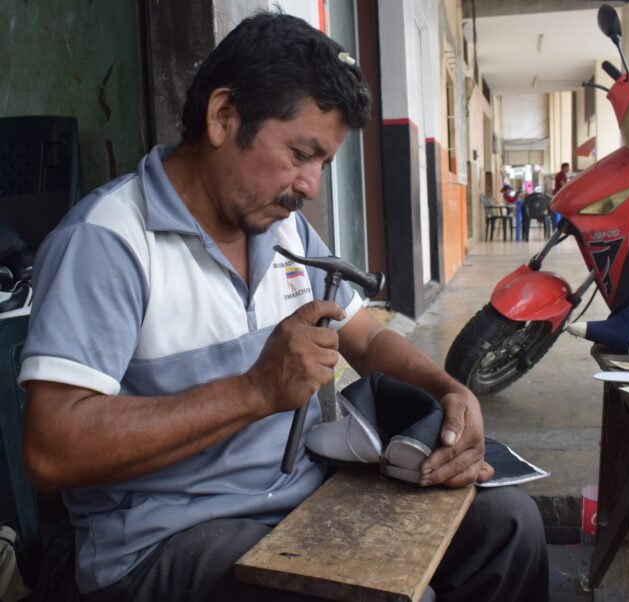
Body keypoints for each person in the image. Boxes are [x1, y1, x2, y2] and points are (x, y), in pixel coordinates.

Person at [20, 11, 548, 602]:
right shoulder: (111, 241)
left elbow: (368, 340)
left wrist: (452, 394)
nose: (312, 186)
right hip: (166, 538)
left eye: (323, 164)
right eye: (301, 153)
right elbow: (51, 447)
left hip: (301, 501)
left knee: (511, 527)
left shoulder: (284, 233)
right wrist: (254, 391)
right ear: (224, 116)